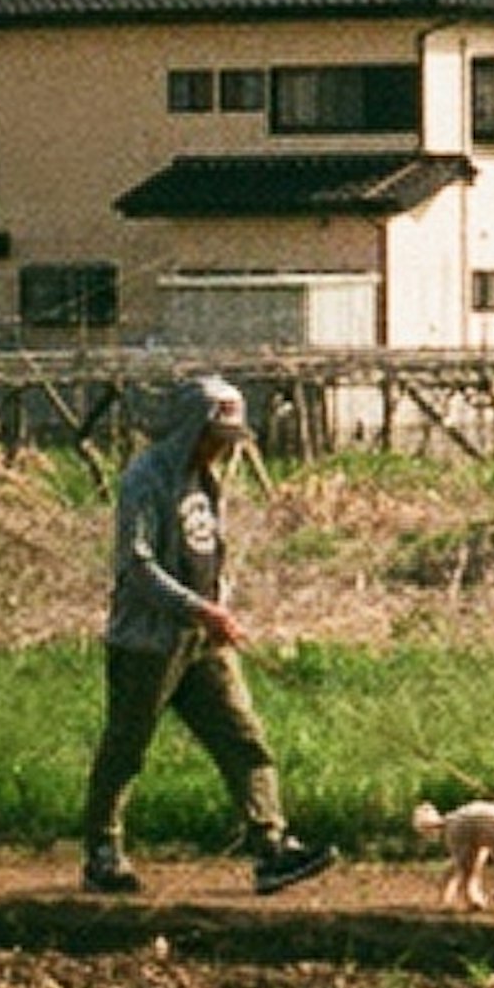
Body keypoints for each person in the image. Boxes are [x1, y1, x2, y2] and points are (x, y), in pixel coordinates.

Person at [78, 372, 333, 896]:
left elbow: (211, 552)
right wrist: (198, 608)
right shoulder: (145, 479)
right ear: (189, 429)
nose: (220, 450)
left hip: (201, 641)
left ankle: (271, 846)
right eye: (214, 438)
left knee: (244, 740)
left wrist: (221, 606)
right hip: (147, 642)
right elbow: (137, 564)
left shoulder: (204, 481)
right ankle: (103, 851)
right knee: (127, 747)